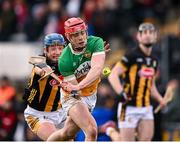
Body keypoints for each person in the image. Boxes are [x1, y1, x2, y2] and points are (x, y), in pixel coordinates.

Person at [47, 17, 106, 141]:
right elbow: (76, 91)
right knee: (91, 130)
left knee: (67, 134)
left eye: (82, 33)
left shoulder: (96, 43)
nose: (80, 37)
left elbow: (97, 69)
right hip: (72, 96)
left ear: (86, 32)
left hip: (89, 94)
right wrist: (77, 87)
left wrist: (79, 85)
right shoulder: (64, 60)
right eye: (75, 35)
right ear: (69, 37)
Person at [107, 23, 168, 141]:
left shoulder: (154, 61)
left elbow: (151, 85)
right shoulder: (131, 56)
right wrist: (122, 93)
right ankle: (111, 131)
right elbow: (113, 75)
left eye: (151, 32)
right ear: (138, 37)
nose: (147, 35)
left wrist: (160, 99)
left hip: (146, 107)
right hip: (128, 107)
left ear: (156, 37)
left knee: (145, 139)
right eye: (144, 32)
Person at [23, 33, 69, 140]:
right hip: (38, 114)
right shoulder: (40, 61)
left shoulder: (67, 63)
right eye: (53, 49)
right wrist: (44, 71)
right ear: (46, 50)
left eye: (60, 48)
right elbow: (38, 68)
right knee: (56, 140)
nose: (57, 52)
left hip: (61, 113)